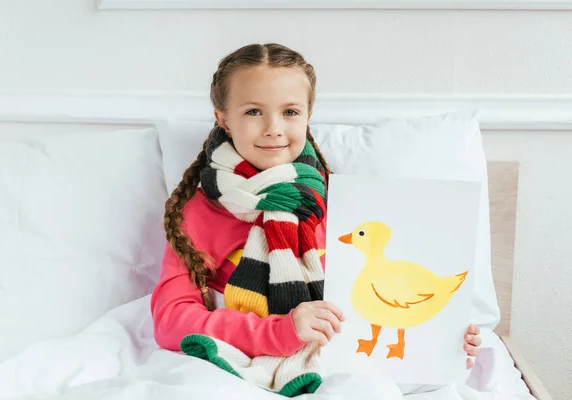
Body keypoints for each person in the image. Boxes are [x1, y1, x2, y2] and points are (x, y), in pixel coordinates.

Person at [150, 43, 482, 396]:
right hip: (243, 366)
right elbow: (171, 321)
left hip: (341, 361)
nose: (273, 128)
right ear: (223, 119)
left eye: (290, 111)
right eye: (253, 112)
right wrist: (281, 331)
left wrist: (443, 337)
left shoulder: (344, 203)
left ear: (308, 115)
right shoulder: (201, 212)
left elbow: (383, 297)